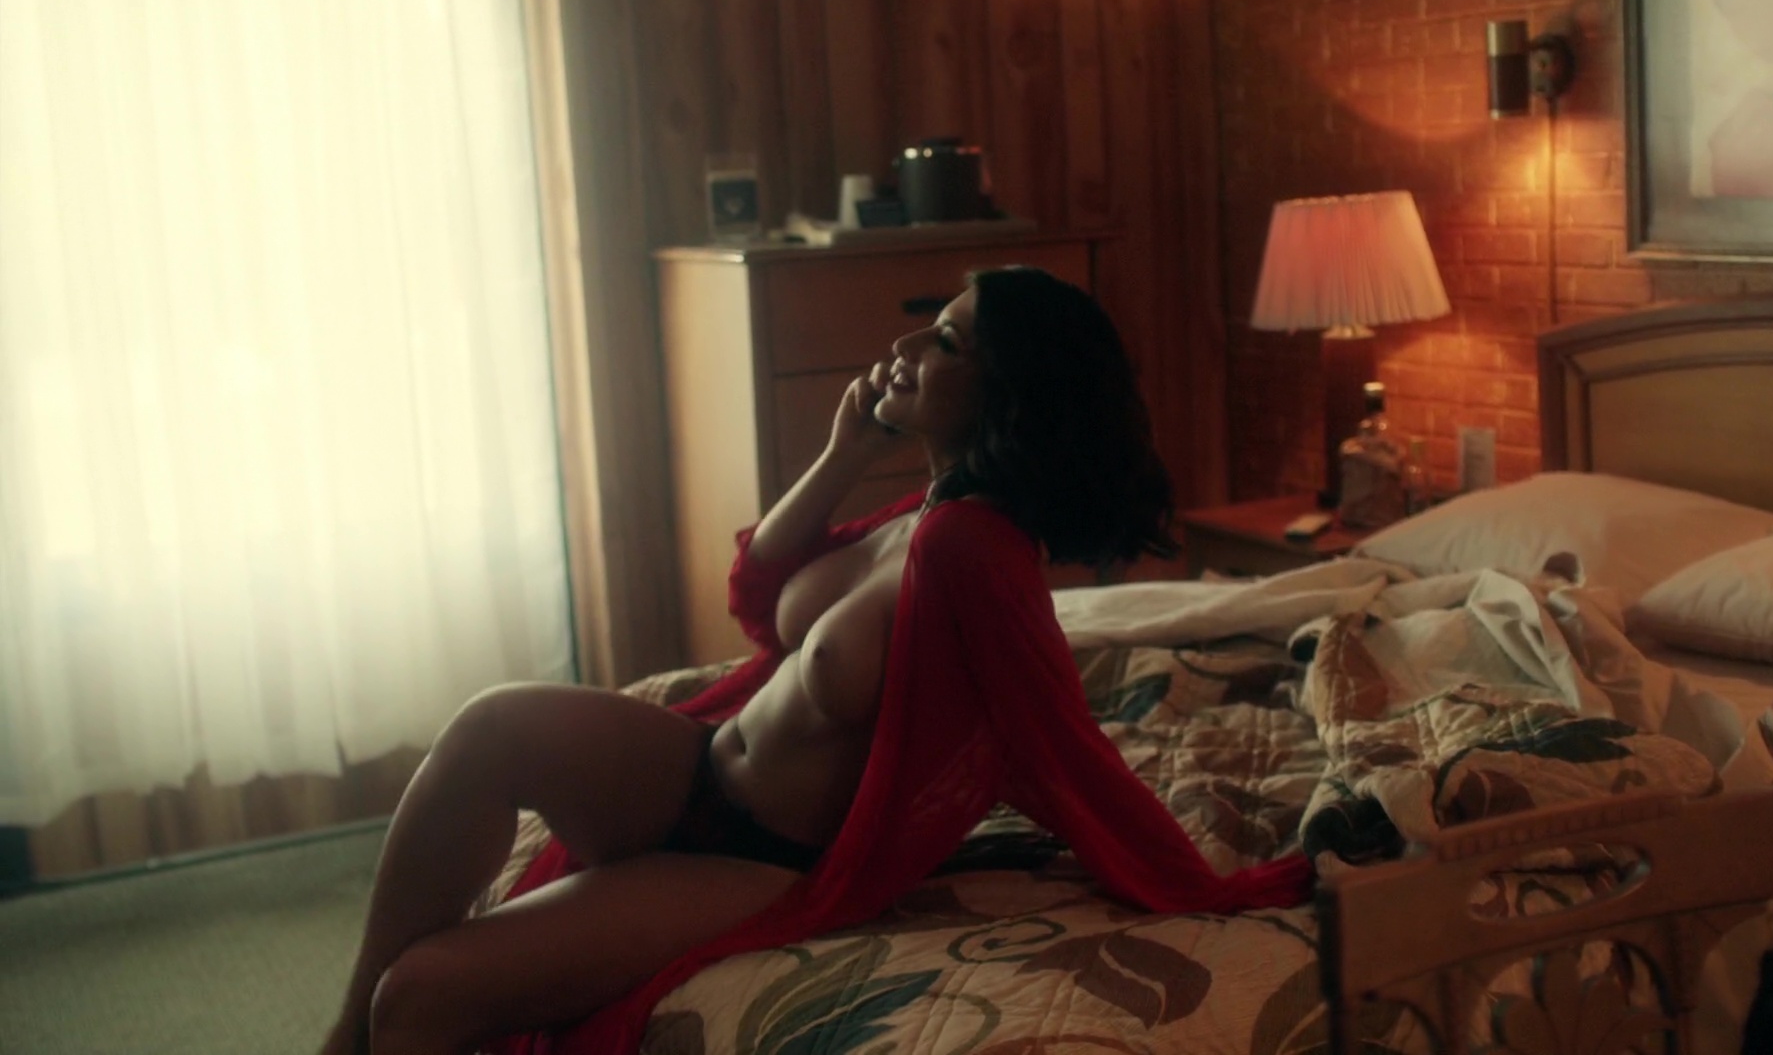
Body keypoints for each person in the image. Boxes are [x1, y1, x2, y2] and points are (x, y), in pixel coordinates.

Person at [319, 267, 1312, 1055]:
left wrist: (1209, 887)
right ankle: (340, 1039)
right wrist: (845, 453)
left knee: (422, 997)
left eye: (946, 342)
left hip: (758, 859)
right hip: (695, 768)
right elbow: (763, 597)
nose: (906, 349)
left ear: (1006, 392)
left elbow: (1059, 740)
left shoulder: (973, 552)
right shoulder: (930, 509)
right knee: (489, 727)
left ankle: (362, 1030)